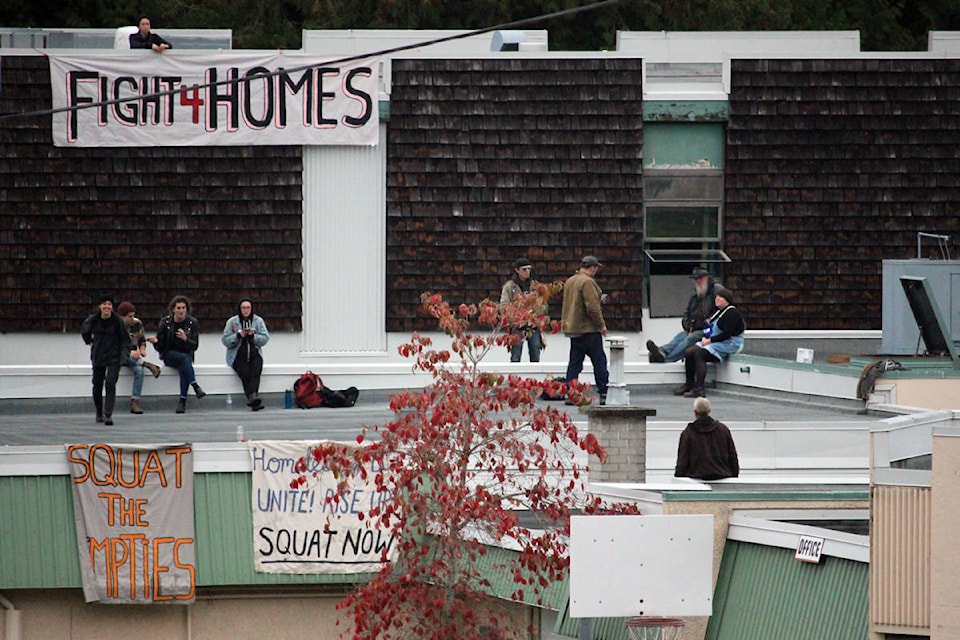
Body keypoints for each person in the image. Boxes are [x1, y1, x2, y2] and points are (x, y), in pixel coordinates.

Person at [679, 286, 745, 398]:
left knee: (700, 354)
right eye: (716, 297)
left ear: (727, 300)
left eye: (720, 297)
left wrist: (710, 340)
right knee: (689, 352)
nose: (717, 299)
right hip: (715, 341)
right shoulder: (718, 312)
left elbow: (727, 334)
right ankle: (689, 384)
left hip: (729, 343)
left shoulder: (732, 313)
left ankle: (700, 389)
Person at [560, 255, 609, 404]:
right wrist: (601, 325)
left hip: (573, 329)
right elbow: (592, 307)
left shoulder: (570, 281)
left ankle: (571, 393)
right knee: (599, 361)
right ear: (593, 268)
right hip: (588, 329)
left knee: (574, 363)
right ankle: (604, 392)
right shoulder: (587, 282)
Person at [647, 266, 720, 366]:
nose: (698, 281)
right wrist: (687, 324)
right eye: (696, 279)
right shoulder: (696, 295)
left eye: (700, 278)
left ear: (707, 278)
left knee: (691, 338)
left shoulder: (715, 292)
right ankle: (662, 351)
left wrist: (706, 323)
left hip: (709, 330)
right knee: (681, 336)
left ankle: (666, 359)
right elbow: (687, 313)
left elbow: (718, 313)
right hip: (693, 328)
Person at [80, 294, 132, 426]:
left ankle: (108, 414)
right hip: (98, 356)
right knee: (97, 386)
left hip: (114, 357)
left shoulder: (117, 321)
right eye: (104, 304)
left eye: (109, 304)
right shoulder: (93, 320)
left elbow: (126, 340)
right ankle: (99, 412)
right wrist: (89, 342)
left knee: (110, 383)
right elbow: (85, 330)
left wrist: (123, 357)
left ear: (112, 307)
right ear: (100, 306)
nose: (106, 307)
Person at [155, 295, 206, 414]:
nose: (181, 311)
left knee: (185, 365)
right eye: (178, 308)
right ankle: (195, 386)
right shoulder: (165, 323)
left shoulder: (192, 323)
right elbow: (161, 347)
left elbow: (194, 346)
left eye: (183, 308)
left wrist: (185, 339)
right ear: (173, 309)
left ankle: (182, 402)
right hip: (169, 354)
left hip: (185, 355)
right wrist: (156, 342)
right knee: (184, 360)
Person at [221, 298, 270, 411]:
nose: (246, 310)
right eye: (243, 308)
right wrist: (239, 335)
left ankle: (253, 399)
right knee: (245, 373)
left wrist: (253, 336)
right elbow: (225, 340)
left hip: (254, 353)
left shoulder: (258, 321)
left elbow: (265, 338)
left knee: (256, 370)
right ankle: (253, 398)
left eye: (248, 308)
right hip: (237, 355)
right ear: (240, 309)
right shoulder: (232, 322)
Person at [674, 397, 740, 480]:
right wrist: (734, 477)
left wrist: (678, 479)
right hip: (723, 476)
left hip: (696, 479)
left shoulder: (688, 433)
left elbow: (683, 461)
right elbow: (732, 457)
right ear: (709, 411)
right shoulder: (723, 430)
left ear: (695, 412)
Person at [116, 301, 162, 414]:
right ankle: (146, 364)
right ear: (122, 316)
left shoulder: (137, 324)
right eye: (129, 316)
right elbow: (114, 346)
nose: (132, 319)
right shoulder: (116, 326)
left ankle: (135, 401)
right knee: (133, 360)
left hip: (133, 358)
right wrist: (130, 352)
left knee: (138, 370)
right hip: (118, 356)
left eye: (133, 315)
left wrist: (142, 350)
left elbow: (141, 339)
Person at [500, 257, 546, 362]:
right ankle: (515, 377)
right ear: (517, 270)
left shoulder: (536, 286)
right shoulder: (509, 287)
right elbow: (503, 306)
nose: (527, 272)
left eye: (529, 269)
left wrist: (535, 314)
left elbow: (544, 305)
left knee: (535, 351)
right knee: (516, 353)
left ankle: (535, 377)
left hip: (533, 325)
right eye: (524, 269)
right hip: (517, 325)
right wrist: (516, 314)